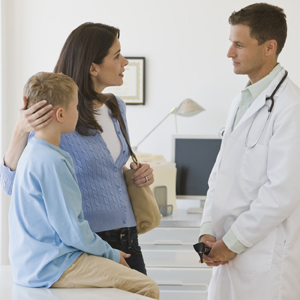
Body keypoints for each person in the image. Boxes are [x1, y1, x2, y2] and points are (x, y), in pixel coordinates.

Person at [0, 23, 154, 275]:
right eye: (117, 56)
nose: (125, 62)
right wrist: (20, 130)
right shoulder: (58, 115)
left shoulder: (116, 107)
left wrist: (138, 173)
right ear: (93, 67)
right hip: (86, 241)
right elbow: (10, 185)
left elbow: (107, 167)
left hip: (127, 235)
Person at [9, 71, 159, 299]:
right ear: (61, 114)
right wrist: (111, 254)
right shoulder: (52, 161)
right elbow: (72, 229)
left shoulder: (34, 153)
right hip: (53, 265)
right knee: (147, 287)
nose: (79, 113)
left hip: (39, 263)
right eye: (76, 107)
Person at [198, 3, 300, 300]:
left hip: (263, 261)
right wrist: (207, 229)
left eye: (239, 44)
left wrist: (232, 243)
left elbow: (282, 193)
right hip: (226, 251)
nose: (230, 52)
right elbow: (220, 174)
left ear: (270, 47)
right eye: (231, 43)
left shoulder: (291, 107)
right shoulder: (240, 101)